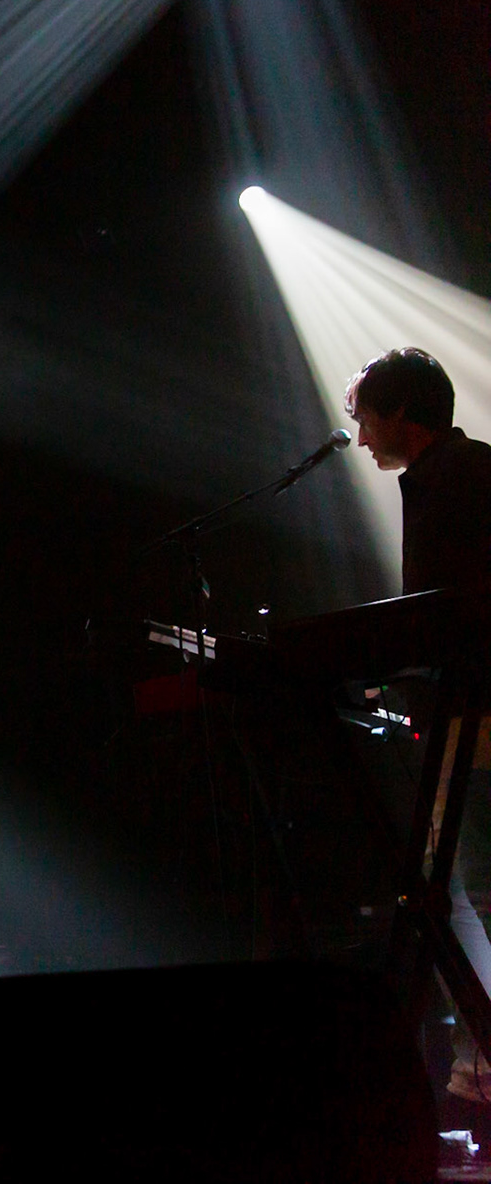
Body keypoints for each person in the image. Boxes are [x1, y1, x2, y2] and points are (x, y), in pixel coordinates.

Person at [346, 348, 491, 1114]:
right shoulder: (463, 472)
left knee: (460, 894)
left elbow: (454, 607)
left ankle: (482, 1065)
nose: (363, 438)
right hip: (464, 707)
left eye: (367, 418)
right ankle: (478, 1063)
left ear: (402, 412)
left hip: (479, 716)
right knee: (457, 893)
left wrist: (401, 666)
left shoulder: (456, 482)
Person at [345, 347, 491, 593]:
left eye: (364, 421)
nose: (361, 439)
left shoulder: (466, 471)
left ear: (398, 408)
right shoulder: (461, 465)